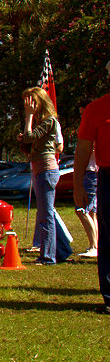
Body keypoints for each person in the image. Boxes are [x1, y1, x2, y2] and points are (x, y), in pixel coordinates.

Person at [74, 60, 110, 314]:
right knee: (107, 239)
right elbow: (83, 149)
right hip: (107, 177)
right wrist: (78, 185)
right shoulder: (96, 109)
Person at [20, 87, 60, 265]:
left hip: (47, 170)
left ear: (40, 102)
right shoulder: (40, 123)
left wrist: (28, 118)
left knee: (46, 215)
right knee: (44, 214)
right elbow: (29, 143)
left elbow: (30, 137)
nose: (28, 106)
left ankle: (48, 256)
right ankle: (58, 250)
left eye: (31, 103)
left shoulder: (49, 121)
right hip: (39, 170)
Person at [76, 100, 99, 258]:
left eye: (83, 113)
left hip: (91, 172)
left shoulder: (94, 127)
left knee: (82, 209)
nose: (82, 116)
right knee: (92, 212)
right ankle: (95, 245)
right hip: (93, 172)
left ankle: (94, 246)